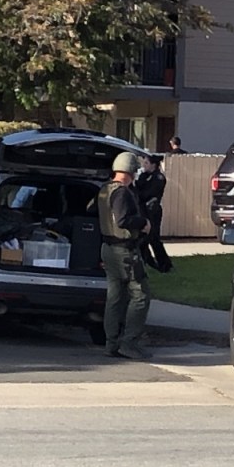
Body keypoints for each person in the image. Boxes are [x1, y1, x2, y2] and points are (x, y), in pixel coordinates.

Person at [95, 151, 153, 360]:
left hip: (108, 248)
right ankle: (129, 343)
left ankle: (111, 344)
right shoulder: (122, 192)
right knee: (141, 295)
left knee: (115, 297)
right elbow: (122, 220)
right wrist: (143, 223)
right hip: (124, 251)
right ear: (131, 171)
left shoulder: (105, 190)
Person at [136, 154, 173, 273]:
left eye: (146, 163)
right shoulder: (144, 176)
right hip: (143, 210)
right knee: (143, 238)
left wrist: (139, 194)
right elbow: (138, 188)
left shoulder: (158, 178)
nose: (144, 165)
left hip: (153, 211)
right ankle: (149, 261)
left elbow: (147, 194)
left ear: (153, 165)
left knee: (153, 238)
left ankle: (164, 264)